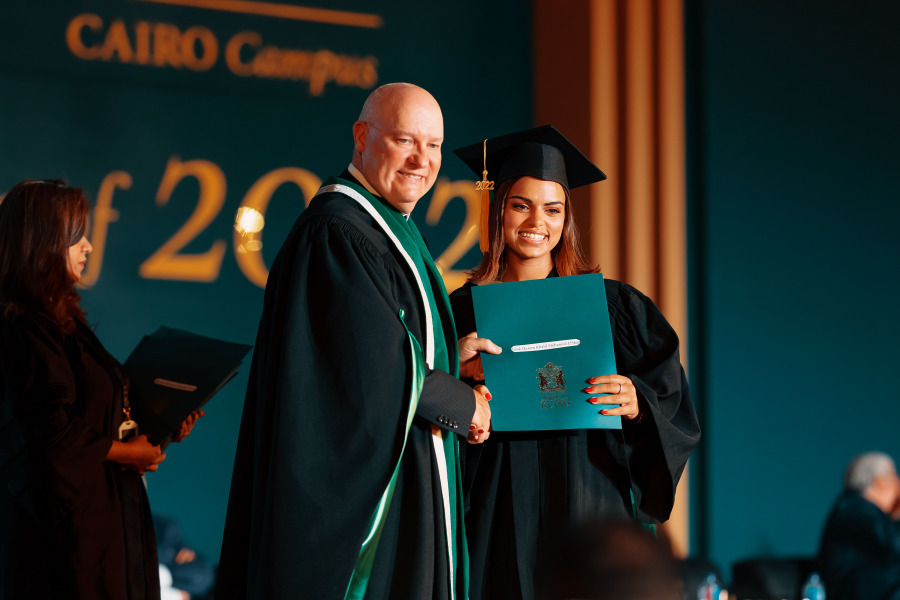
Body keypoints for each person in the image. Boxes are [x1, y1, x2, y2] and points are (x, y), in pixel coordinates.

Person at [215, 83, 494, 600]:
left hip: (406, 474)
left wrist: (447, 359)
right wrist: (461, 402)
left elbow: (373, 341)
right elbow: (371, 367)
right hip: (365, 506)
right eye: (405, 140)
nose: (422, 160)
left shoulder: (386, 224)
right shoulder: (338, 230)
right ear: (362, 136)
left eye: (433, 146)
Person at [450, 125, 701, 600]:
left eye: (553, 209)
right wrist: (455, 376)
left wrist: (637, 402)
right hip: (495, 501)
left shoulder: (614, 308)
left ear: (566, 220)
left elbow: (670, 399)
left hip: (591, 494)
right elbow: (425, 407)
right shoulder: (458, 312)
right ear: (498, 208)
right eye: (521, 205)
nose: (536, 222)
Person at [0, 179, 201, 599]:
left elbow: (96, 417)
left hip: (106, 531)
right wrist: (130, 453)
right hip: (66, 548)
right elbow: (50, 432)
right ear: (42, 241)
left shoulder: (67, 324)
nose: (88, 245)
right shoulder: (22, 327)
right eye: (76, 237)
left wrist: (160, 425)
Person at [817, 451, 900, 600]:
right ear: (881, 481)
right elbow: (893, 545)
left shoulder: (859, 508)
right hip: (852, 591)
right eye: (895, 476)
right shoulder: (854, 507)